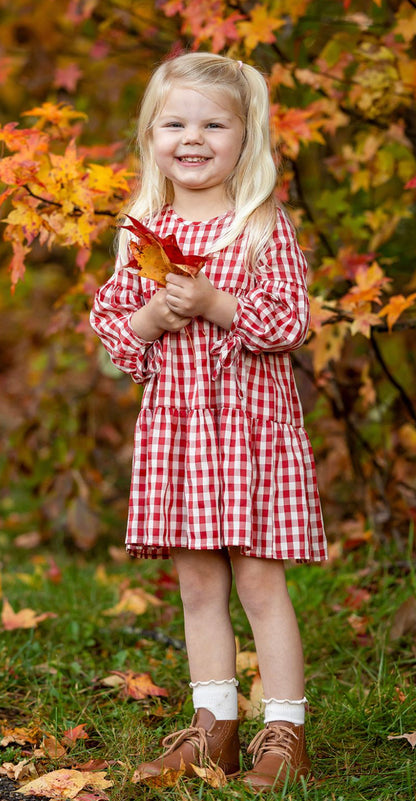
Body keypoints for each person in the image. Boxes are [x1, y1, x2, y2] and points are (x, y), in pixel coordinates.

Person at [90, 51, 327, 792]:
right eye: (176, 123)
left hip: (252, 435)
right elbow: (113, 330)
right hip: (182, 440)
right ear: (151, 135)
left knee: (259, 581)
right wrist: (154, 313)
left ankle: (284, 731)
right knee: (197, 585)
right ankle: (213, 726)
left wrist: (219, 305)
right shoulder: (144, 236)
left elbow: (293, 319)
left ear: (244, 137)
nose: (193, 138)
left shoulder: (259, 225)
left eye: (213, 124)